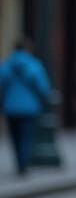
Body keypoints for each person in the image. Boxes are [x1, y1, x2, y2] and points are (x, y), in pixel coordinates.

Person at [0, 38, 53, 176]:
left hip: (10, 107)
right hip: (29, 108)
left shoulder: (7, 65)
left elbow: (1, 84)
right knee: (26, 137)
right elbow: (42, 87)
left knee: (15, 137)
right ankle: (23, 164)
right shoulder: (34, 65)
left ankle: (19, 162)